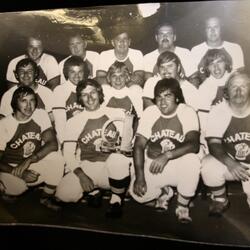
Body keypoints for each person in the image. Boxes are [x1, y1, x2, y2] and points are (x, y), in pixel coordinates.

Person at [56, 79, 132, 218]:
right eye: (85, 95)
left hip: (111, 170)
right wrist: (82, 176)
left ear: (99, 93)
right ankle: (94, 192)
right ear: (80, 98)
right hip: (88, 167)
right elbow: (67, 154)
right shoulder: (74, 121)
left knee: (118, 159)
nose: (90, 98)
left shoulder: (117, 113)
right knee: (63, 194)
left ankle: (116, 200)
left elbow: (127, 146)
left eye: (93, 93)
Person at [129, 78, 201, 223]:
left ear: (177, 97)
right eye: (158, 97)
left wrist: (166, 156)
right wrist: (140, 176)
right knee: (137, 195)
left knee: (192, 160)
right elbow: (139, 145)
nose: (162, 102)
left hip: (177, 164)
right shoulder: (150, 112)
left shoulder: (187, 111)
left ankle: (182, 205)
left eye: (167, 96)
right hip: (154, 164)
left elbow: (194, 144)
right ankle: (164, 191)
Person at [0, 86, 64, 211]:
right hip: (11, 167)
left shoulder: (40, 114)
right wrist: (18, 172)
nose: (29, 105)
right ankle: (4, 190)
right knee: (17, 188)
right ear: (15, 103)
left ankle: (46, 198)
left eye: (32, 100)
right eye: (24, 100)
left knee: (57, 158)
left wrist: (29, 160)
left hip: (30, 163)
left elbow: (52, 144)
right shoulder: (4, 125)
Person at [201, 69, 250, 216]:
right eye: (234, 86)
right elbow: (213, 143)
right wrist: (231, 163)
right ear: (227, 91)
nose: (239, 91)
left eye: (244, 86)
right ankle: (220, 199)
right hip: (230, 162)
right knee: (208, 165)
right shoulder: (219, 110)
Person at [0, 58, 54, 123]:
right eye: (21, 71)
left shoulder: (47, 92)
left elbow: (53, 120)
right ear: (16, 75)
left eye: (30, 71)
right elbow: (3, 122)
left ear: (36, 73)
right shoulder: (9, 95)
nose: (26, 75)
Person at [191, 17, 244, 81]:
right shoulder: (196, 50)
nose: (212, 31)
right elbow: (194, 79)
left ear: (221, 29)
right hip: (206, 89)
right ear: (205, 30)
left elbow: (240, 77)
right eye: (209, 28)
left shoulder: (234, 48)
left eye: (216, 27)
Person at [52, 56, 89, 145]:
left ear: (85, 73)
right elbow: (60, 122)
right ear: (66, 73)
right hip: (67, 135)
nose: (77, 76)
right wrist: (64, 143)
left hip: (86, 135)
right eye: (72, 72)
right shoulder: (60, 90)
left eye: (80, 71)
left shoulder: (89, 88)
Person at [197, 48, 233, 137]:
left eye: (219, 62)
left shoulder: (235, 80)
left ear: (226, 63)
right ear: (207, 68)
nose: (216, 67)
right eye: (211, 64)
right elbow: (203, 119)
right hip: (215, 131)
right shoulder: (204, 87)